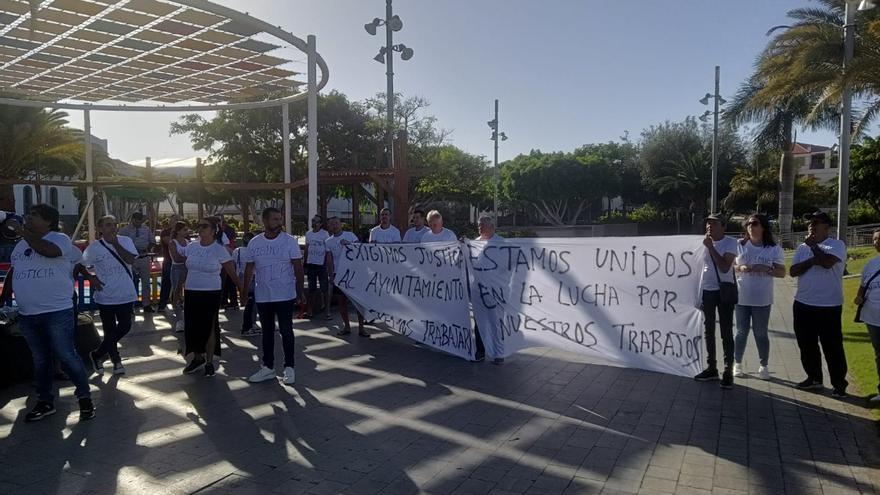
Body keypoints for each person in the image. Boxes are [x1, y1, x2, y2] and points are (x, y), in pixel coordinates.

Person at [0, 204, 95, 422]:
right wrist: (3, 296)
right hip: (27, 314)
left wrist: (22, 231)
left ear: (49, 221)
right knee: (40, 360)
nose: (28, 218)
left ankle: (84, 398)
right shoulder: (19, 247)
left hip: (56, 311)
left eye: (34, 215)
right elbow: (14, 273)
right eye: (28, 214)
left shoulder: (59, 239)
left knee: (67, 356)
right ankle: (45, 402)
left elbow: (48, 251)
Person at [169, 216, 242, 377]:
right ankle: (197, 357)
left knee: (209, 326)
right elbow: (186, 268)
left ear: (213, 230)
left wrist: (241, 290)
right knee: (192, 326)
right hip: (191, 290)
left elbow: (231, 272)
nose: (200, 229)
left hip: (211, 291)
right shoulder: (192, 247)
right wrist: (178, 290)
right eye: (199, 225)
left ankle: (209, 361)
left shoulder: (219, 250)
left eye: (204, 226)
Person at [244, 208, 306, 385]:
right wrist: (243, 291)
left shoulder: (289, 241)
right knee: (267, 332)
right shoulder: (255, 243)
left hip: (285, 294)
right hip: (263, 295)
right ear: (264, 221)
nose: (279, 222)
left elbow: (298, 266)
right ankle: (268, 367)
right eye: (275, 219)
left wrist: (300, 290)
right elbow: (249, 268)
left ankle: (289, 368)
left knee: (286, 331)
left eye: (280, 219)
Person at [790, 211, 848, 396]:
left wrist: (815, 249)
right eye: (809, 222)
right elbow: (793, 271)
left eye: (816, 222)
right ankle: (814, 378)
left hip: (828, 306)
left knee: (832, 346)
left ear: (826, 226)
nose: (811, 226)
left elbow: (827, 263)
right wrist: (813, 258)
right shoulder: (802, 247)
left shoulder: (836, 245)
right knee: (806, 344)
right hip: (803, 303)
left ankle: (839, 384)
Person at [82, 215, 139, 376]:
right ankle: (116, 361)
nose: (113, 227)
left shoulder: (125, 241)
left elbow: (130, 259)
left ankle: (97, 354)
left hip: (125, 293)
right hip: (105, 295)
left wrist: (116, 244)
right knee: (109, 330)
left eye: (115, 224)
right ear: (100, 229)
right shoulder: (94, 247)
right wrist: (91, 277)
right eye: (108, 225)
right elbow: (81, 265)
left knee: (125, 326)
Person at [732, 214, 785, 380]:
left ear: (763, 227)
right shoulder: (739, 245)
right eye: (748, 224)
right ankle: (737, 363)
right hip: (741, 297)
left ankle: (764, 366)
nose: (750, 226)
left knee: (761, 333)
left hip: (762, 298)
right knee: (741, 332)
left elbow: (782, 273)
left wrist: (767, 269)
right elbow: (730, 266)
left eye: (754, 223)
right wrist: (740, 266)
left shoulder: (773, 249)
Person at [693, 214, 738, 389]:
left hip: (724, 291)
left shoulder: (730, 242)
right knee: (708, 329)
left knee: (726, 331)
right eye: (708, 223)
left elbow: (725, 266)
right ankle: (712, 367)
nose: (709, 227)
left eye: (713, 224)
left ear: (722, 226)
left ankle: (728, 370)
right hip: (707, 291)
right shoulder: (702, 242)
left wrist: (711, 248)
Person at [325, 216, 369, 338]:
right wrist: (331, 275)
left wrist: (348, 244)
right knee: (341, 302)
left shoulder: (350, 235)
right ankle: (347, 326)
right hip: (338, 275)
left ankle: (361, 328)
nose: (334, 225)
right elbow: (329, 260)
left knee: (357, 302)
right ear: (329, 226)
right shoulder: (328, 241)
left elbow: (359, 249)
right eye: (332, 224)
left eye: (336, 223)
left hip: (353, 273)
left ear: (341, 224)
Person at [473, 215, 504, 364]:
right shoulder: (475, 243)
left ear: (491, 227)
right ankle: (480, 352)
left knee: (495, 322)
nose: (479, 227)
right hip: (478, 289)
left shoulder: (500, 243)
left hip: (494, 290)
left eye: (482, 225)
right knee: (479, 322)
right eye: (479, 225)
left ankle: (499, 354)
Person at [855, 229, 880, 402]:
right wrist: (858, 297)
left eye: (879, 239)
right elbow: (863, 286)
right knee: (879, 354)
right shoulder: (870, 264)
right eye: (874, 239)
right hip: (872, 317)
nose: (876, 242)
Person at [119, 212, 156, 312]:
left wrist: (147, 249)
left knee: (146, 283)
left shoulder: (146, 229)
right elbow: (118, 243)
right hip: (131, 259)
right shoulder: (125, 230)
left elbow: (152, 241)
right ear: (133, 219)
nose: (139, 222)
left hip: (143, 257)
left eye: (140, 220)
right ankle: (130, 305)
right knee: (130, 282)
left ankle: (146, 304)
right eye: (137, 220)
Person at [304, 215, 332, 320]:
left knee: (324, 288)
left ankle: (327, 311)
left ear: (320, 223)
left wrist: (327, 265)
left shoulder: (325, 234)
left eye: (316, 221)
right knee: (311, 289)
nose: (314, 223)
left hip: (321, 265)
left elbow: (328, 250)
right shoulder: (308, 234)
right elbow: (307, 248)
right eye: (312, 221)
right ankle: (310, 310)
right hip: (311, 264)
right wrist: (305, 263)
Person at [235, 232, 260, 337]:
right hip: (252, 277)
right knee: (252, 303)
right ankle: (248, 325)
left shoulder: (238, 251)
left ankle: (251, 323)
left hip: (240, 277)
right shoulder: (253, 251)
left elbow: (233, 263)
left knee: (250, 302)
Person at [156, 214, 180, 311]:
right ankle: (162, 304)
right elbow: (169, 242)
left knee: (178, 283)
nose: (176, 221)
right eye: (175, 220)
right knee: (166, 283)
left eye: (178, 220)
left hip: (179, 262)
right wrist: (174, 232)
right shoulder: (165, 232)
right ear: (170, 221)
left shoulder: (182, 232)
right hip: (169, 261)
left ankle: (176, 302)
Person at [169, 221, 189, 333]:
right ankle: (179, 320)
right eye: (184, 230)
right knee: (177, 293)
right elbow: (176, 258)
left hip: (187, 268)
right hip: (177, 269)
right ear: (178, 231)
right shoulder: (173, 243)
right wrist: (186, 258)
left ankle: (186, 318)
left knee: (188, 293)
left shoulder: (188, 242)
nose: (186, 232)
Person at [218, 215, 238, 309]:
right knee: (225, 282)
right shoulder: (218, 232)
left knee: (228, 281)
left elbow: (227, 246)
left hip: (226, 259)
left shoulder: (225, 232)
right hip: (221, 261)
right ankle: (224, 301)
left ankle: (231, 301)